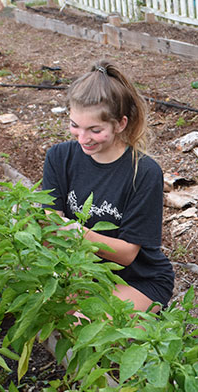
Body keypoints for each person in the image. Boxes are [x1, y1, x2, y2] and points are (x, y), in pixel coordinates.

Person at [41, 60, 172, 311]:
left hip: (137, 278)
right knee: (45, 310)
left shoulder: (143, 172)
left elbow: (126, 254)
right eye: (75, 126)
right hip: (82, 269)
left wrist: (77, 233)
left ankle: (151, 317)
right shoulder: (58, 157)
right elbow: (51, 225)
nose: (82, 139)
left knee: (86, 326)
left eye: (94, 129)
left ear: (120, 124)